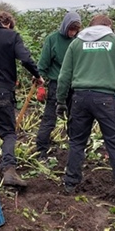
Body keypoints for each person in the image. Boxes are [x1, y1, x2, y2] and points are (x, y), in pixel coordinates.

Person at [56, 15, 115, 207]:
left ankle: (70, 184)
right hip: (106, 101)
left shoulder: (76, 44)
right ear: (109, 26)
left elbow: (64, 75)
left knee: (76, 142)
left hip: (80, 99)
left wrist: (60, 101)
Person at [0, 11, 44, 187]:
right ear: (9, 24)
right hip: (2, 90)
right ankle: (8, 169)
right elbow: (25, 59)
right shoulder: (12, 36)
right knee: (7, 131)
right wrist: (37, 75)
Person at [36, 11, 82, 160]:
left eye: (75, 30)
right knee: (50, 118)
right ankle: (41, 150)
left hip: (74, 85)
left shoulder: (78, 41)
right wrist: (40, 84)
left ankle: (75, 151)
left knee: (75, 118)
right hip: (56, 85)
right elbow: (43, 63)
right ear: (65, 26)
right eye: (71, 29)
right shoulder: (53, 39)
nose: (72, 33)